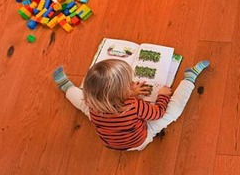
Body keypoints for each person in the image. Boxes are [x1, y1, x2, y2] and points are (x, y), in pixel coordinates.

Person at [53, 59, 210, 151]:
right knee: (172, 111)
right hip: (138, 141)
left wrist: (128, 93)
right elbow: (158, 113)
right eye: (128, 84)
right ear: (122, 94)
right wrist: (162, 95)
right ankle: (190, 78)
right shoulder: (133, 106)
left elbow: (112, 100)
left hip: (109, 142)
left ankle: (67, 88)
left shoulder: (92, 102)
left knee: (82, 104)